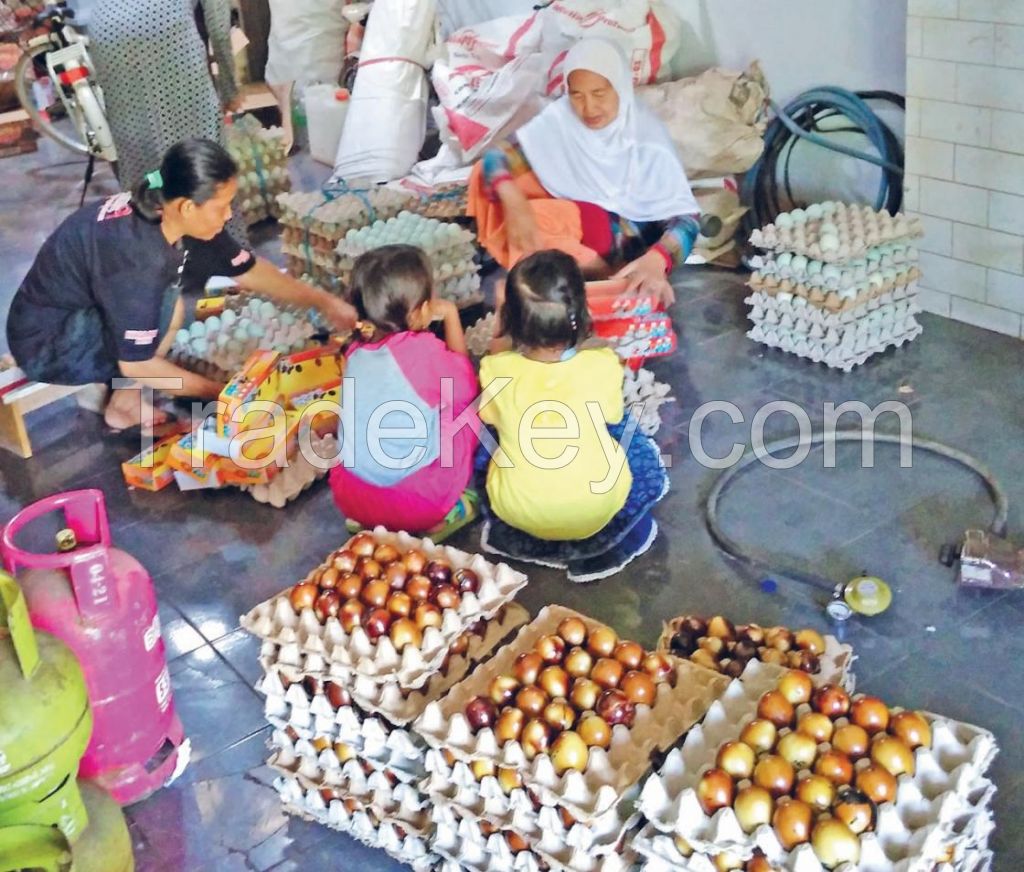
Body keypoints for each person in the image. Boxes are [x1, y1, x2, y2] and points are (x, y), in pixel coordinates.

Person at [6, 139, 355, 434]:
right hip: (47, 343)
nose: (229, 215)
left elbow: (247, 270)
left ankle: (124, 401)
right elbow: (137, 365)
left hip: (77, 311)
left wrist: (323, 301)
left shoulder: (170, 208)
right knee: (164, 311)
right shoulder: (137, 256)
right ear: (188, 206)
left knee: (166, 308)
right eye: (222, 207)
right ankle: (123, 402)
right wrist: (222, 395)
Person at [478, 250, 669, 583]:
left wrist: (501, 323)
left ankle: (526, 543)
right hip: (595, 508)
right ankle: (609, 544)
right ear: (580, 314)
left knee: (489, 439)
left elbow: (490, 411)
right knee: (626, 431)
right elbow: (611, 415)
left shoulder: (495, 370)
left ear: (509, 320)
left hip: (516, 510)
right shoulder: (601, 364)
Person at [468, 39, 702, 305]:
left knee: (545, 218)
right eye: (577, 95)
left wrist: (657, 259)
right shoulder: (562, 119)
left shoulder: (646, 140)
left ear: (620, 88)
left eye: (599, 93)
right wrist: (513, 201)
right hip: (579, 217)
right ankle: (552, 265)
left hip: (623, 240)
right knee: (486, 176)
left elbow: (688, 220)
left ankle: (595, 273)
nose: (588, 108)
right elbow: (496, 157)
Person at [329, 245, 480, 541]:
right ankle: (441, 518)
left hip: (351, 499)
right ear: (418, 311)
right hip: (418, 502)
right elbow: (466, 386)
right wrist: (450, 315)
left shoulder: (354, 352)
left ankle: (374, 522)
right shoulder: (421, 351)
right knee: (466, 411)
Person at [90, 0, 240, 193]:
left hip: (105, 27)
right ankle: (206, 211)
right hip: (165, 24)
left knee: (140, 144)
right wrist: (229, 90)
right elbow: (219, 27)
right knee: (198, 140)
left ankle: (149, 211)